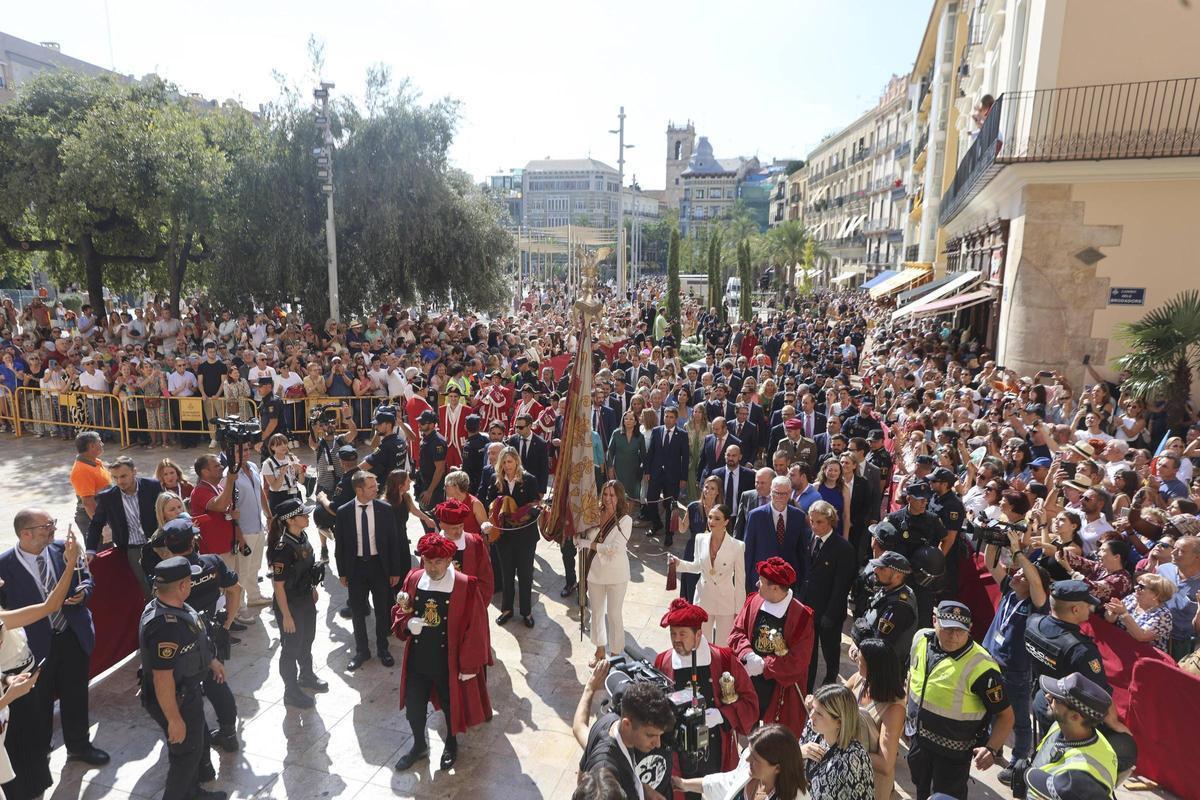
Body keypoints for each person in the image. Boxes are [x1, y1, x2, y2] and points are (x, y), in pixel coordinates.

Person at [0, 509, 109, 783]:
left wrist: (84, 591)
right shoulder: (3, 565)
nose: (53, 528)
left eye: (52, 523)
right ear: (26, 533)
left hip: (71, 634)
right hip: (34, 647)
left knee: (76, 694)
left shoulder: (63, 548)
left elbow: (86, 577)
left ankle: (80, 747)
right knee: (38, 704)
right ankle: (40, 754)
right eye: (47, 525)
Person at [392, 533, 492, 771]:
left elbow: (476, 627)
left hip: (448, 660)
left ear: (449, 561)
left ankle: (451, 742)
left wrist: (468, 666)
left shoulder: (466, 585)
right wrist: (407, 624)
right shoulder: (414, 578)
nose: (432, 567)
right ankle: (419, 745)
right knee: (414, 707)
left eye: (438, 562)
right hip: (418, 657)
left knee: (451, 706)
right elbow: (400, 609)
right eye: (427, 561)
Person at [0, 525, 83, 800]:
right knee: (17, 752)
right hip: (11, 695)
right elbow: (50, 606)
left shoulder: (5, 616)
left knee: (33, 746)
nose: (1, 582)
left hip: (22, 684)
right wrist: (6, 687)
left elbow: (49, 606)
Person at [137, 557, 228, 800]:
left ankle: (193, 793)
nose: (192, 584)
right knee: (185, 755)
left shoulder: (175, 606)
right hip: (175, 698)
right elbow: (162, 677)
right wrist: (174, 719)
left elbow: (192, 642)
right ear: (183, 586)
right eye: (190, 580)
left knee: (194, 748)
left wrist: (211, 661)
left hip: (186, 690)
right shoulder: (164, 626)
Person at [905, 601, 1014, 800]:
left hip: (952, 756)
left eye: (961, 631)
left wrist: (991, 748)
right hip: (919, 742)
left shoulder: (983, 667)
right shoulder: (920, 639)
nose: (954, 636)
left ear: (970, 629)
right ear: (934, 621)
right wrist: (907, 721)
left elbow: (1006, 716)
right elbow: (912, 678)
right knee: (921, 789)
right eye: (948, 629)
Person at [152, 518, 244, 753]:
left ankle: (196, 749)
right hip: (211, 635)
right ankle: (228, 734)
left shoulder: (166, 576)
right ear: (193, 541)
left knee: (187, 696)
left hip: (181, 644)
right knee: (218, 684)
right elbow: (236, 589)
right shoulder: (212, 562)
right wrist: (226, 623)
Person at [654, 598, 758, 796]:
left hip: (716, 752)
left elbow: (750, 703)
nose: (676, 639)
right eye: (673, 633)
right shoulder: (663, 661)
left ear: (699, 634)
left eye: (683, 634)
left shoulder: (724, 659)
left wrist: (721, 715)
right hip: (679, 755)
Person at [981, 528, 1049, 779]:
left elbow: (1035, 580)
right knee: (987, 710)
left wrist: (1019, 552)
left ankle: (1018, 764)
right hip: (989, 662)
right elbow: (991, 562)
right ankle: (993, 747)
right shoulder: (1010, 592)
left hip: (1015, 671)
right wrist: (993, 539)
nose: (1016, 574)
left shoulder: (1036, 604)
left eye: (1021, 573)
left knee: (1019, 719)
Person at [729, 557, 815, 737]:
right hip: (750, 684)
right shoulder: (754, 601)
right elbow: (737, 632)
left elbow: (799, 661)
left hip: (780, 691)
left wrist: (764, 665)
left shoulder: (802, 618)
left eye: (761, 581)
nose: (756, 583)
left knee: (775, 742)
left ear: (775, 587)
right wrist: (748, 654)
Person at [574, 661, 674, 800]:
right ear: (627, 724)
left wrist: (642, 788)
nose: (657, 744)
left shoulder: (609, 722)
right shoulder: (604, 772)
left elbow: (579, 728)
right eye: (650, 735)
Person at [335, 470, 404, 670]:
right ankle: (362, 651)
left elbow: (393, 542)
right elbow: (340, 545)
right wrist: (342, 572)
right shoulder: (344, 512)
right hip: (355, 567)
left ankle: (383, 648)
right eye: (371, 487)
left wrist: (394, 570)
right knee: (357, 611)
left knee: (382, 609)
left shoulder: (385, 509)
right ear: (359, 489)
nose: (377, 489)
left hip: (379, 566)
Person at [1024, 580, 1110, 737]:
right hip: (1070, 719)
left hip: (1042, 701)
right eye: (1087, 604)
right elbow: (1097, 695)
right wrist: (1115, 724)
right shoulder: (1082, 650)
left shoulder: (1032, 622)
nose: (1091, 608)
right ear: (1075, 609)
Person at [1015, 673, 1118, 800]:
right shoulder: (1061, 725)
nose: (1047, 696)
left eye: (1057, 699)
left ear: (1075, 716)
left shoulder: (1081, 775)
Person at [267, 498, 325, 708]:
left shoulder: (302, 537)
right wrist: (287, 616)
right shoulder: (282, 548)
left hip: (305, 600)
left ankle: (307, 676)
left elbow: (306, 570)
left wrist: (312, 589)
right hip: (290, 605)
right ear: (290, 520)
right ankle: (290, 691)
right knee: (291, 648)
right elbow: (279, 586)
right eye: (303, 514)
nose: (307, 516)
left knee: (307, 640)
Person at [481, 446, 543, 628]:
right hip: (504, 536)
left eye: (510, 461)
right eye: (504, 462)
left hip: (525, 536)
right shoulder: (495, 479)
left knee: (525, 575)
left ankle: (527, 612)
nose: (507, 466)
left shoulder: (529, 479)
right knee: (506, 573)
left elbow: (536, 505)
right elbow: (488, 501)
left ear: (517, 461)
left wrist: (521, 514)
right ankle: (506, 610)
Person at [84, 455, 162, 596]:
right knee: (146, 588)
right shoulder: (108, 497)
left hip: (157, 545)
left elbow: (165, 511)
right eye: (115, 477)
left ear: (134, 472)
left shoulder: (152, 486)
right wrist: (90, 549)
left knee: (165, 581)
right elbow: (96, 524)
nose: (119, 481)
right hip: (131, 551)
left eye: (124, 476)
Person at [670, 502, 745, 645]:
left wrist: (739, 610)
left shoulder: (738, 546)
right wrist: (678, 563)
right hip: (703, 598)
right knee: (701, 643)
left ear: (726, 522)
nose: (711, 521)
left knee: (723, 645)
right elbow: (697, 567)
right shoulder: (700, 538)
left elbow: (740, 580)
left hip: (726, 602)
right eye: (710, 517)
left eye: (717, 518)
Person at [800, 500, 856, 691]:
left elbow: (842, 586)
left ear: (831, 521)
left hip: (829, 611)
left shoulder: (842, 548)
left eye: (819, 522)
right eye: (812, 521)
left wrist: (830, 615)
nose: (814, 526)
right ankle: (808, 686)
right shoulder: (808, 539)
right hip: (808, 608)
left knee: (831, 651)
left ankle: (831, 683)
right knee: (809, 652)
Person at [671, 724, 809, 800]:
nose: (747, 759)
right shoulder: (750, 769)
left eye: (755, 759)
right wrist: (683, 784)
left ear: (777, 768)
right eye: (749, 752)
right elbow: (724, 783)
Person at [842, 639, 905, 800]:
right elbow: (836, 700)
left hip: (871, 783)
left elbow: (885, 763)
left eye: (860, 659)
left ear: (875, 668)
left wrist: (846, 749)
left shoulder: (893, 709)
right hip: (846, 772)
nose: (856, 660)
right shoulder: (859, 679)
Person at [580, 481, 633, 667]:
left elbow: (614, 549)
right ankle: (599, 651)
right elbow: (583, 536)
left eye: (612, 495)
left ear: (619, 497)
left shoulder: (626, 520)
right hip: (595, 572)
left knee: (614, 614)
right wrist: (578, 536)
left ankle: (616, 654)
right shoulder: (594, 514)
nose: (608, 498)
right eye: (605, 494)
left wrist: (590, 545)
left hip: (617, 574)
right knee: (596, 613)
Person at [882, 482, 946, 626]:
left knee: (923, 617)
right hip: (900, 575)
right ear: (909, 499)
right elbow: (880, 544)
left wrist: (937, 558)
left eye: (926, 499)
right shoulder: (894, 518)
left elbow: (946, 539)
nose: (924, 502)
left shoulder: (933, 519)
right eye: (920, 499)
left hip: (923, 578)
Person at [798, 684, 875, 800]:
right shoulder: (813, 729)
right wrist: (799, 752)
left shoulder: (855, 758)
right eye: (813, 708)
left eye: (819, 713)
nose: (811, 715)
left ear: (839, 722)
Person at [744, 476, 811, 593]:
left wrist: (802, 582)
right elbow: (748, 550)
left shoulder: (799, 516)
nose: (779, 497)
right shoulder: (755, 516)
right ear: (770, 492)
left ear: (790, 493)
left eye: (783, 494)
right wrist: (747, 582)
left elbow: (802, 552)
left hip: (788, 582)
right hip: (762, 580)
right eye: (776, 493)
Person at [435, 497, 495, 602]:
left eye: (461, 526)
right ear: (441, 525)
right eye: (454, 528)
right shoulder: (432, 546)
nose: (459, 532)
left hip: (469, 603)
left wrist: (477, 604)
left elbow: (486, 579)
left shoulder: (476, 543)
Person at [645, 407, 691, 539]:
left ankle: (669, 533)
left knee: (671, 505)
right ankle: (656, 524)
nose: (668, 419)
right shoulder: (656, 431)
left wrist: (683, 478)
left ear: (676, 420)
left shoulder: (682, 434)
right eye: (666, 416)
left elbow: (685, 458)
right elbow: (651, 453)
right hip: (656, 473)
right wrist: (647, 471)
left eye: (671, 417)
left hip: (673, 476)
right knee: (651, 501)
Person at [1102, 572, 1175, 651]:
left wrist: (1124, 614)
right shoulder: (1132, 598)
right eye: (1137, 584)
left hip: (1145, 655)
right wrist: (1113, 611)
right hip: (1121, 646)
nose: (1136, 587)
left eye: (1141, 587)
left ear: (1156, 595)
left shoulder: (1163, 616)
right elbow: (1109, 619)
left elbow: (1141, 637)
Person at [1155, 534, 1200, 660]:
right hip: (1154, 635)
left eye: (1181, 551)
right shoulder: (1163, 570)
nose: (1173, 552)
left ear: (1197, 557)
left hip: (1183, 646)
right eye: (1174, 548)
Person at [69, 430, 111, 536]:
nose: (102, 444)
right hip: (91, 518)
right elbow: (88, 503)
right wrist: (100, 525)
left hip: (103, 513)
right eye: (100, 442)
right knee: (101, 552)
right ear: (92, 446)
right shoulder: (82, 470)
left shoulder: (95, 462)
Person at [360, 403, 411, 486]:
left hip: (387, 489)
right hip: (397, 485)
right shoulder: (401, 440)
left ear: (388, 425)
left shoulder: (385, 447)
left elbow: (363, 466)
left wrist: (350, 473)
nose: (376, 427)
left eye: (379, 424)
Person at [607, 409, 647, 503]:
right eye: (626, 419)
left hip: (634, 470)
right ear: (623, 421)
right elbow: (610, 452)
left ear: (635, 422)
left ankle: (629, 515)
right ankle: (619, 515)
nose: (628, 421)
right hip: (619, 469)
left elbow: (643, 455)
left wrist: (645, 471)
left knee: (632, 495)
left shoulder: (640, 437)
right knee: (618, 493)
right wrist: (610, 468)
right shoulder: (616, 433)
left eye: (631, 419)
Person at [415, 409, 448, 509]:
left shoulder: (437, 442)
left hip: (433, 487)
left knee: (432, 516)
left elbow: (440, 470)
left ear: (432, 425)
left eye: (423, 423)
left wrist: (429, 491)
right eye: (419, 422)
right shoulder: (426, 437)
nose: (419, 425)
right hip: (424, 482)